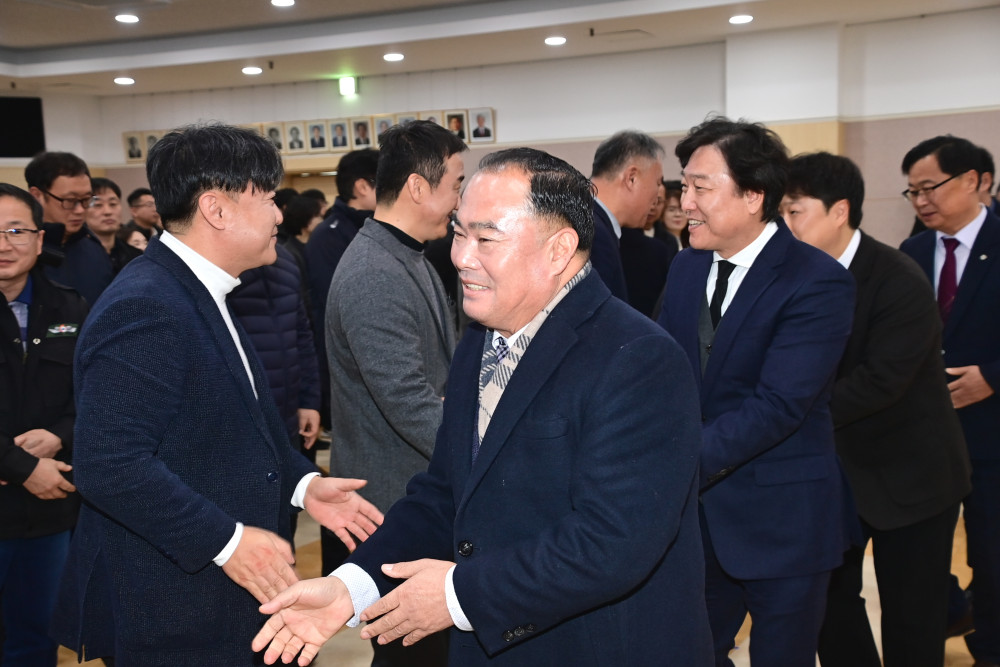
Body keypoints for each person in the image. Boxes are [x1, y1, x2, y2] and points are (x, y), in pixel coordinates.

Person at [253, 147, 713, 666]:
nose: (461, 257)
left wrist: (457, 595)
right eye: (459, 232)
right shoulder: (484, 336)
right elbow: (446, 491)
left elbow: (613, 542)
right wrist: (350, 587)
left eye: (486, 239)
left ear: (559, 249)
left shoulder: (637, 358)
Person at [51, 123, 384, 665]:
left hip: (212, 603)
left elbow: (234, 426)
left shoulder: (201, 290)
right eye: (268, 199)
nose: (279, 216)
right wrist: (226, 541)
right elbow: (109, 464)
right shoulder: (148, 305)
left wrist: (304, 485)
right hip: (172, 609)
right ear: (216, 209)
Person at [656, 118, 855, 667]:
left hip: (783, 521)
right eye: (683, 186)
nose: (685, 203)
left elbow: (779, 406)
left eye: (700, 187)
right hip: (693, 524)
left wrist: (671, 460)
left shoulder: (815, 279)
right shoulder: (686, 267)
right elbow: (662, 373)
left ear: (753, 196)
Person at [782, 152, 971, 667]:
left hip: (912, 477)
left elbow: (881, 381)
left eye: (795, 211)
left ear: (839, 211)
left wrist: (787, 411)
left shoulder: (897, 277)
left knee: (913, 617)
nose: (785, 225)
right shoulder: (793, 278)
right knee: (829, 605)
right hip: (835, 475)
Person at [322, 119, 464, 665]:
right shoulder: (374, 271)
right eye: (456, 184)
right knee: (409, 652)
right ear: (418, 187)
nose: (459, 200)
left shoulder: (405, 254)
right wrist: (475, 446)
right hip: (394, 498)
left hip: (414, 487)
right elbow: (407, 399)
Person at [899, 135, 1000, 667]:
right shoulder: (912, 253)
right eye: (913, 192)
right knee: (920, 556)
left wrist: (993, 378)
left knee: (993, 555)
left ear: (977, 181)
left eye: (930, 187)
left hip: (992, 433)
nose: (921, 201)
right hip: (927, 435)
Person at [0, 183, 87, 666]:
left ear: (39, 239)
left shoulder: (71, 308)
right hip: (26, 483)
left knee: (36, 639)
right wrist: (20, 466)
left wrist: (60, 436)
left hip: (49, 511)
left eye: (16, 231)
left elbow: (95, 394)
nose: (4, 244)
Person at [25, 151, 113, 306]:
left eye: (86, 199)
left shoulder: (94, 248)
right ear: (36, 195)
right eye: (70, 200)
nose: (80, 210)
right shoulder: (21, 251)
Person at [589, 131, 664, 302]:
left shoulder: (588, 219)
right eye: (657, 183)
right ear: (631, 178)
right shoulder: (594, 234)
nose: (657, 197)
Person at [86, 177, 142, 275]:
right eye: (98, 205)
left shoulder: (136, 257)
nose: (108, 212)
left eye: (113, 204)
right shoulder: (72, 256)